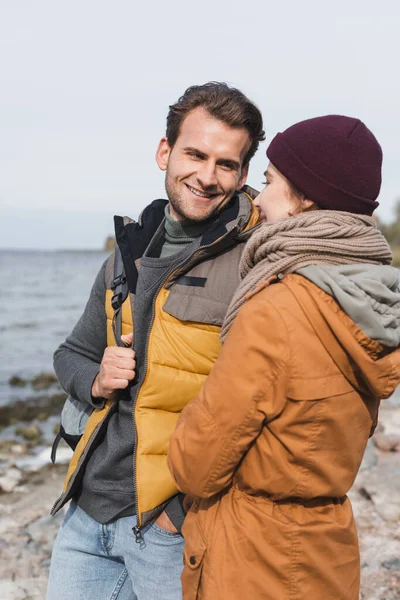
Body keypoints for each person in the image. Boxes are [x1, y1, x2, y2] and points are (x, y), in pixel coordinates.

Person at [46, 82, 264, 600]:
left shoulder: (255, 262)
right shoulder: (126, 253)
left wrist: (179, 512)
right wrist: (97, 379)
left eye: (226, 164)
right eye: (195, 154)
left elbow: (263, 407)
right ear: (164, 152)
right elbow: (70, 354)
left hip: (172, 528)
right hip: (84, 514)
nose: (207, 177)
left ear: (243, 174)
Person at [168, 115, 400, 600]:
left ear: (306, 198)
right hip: (325, 540)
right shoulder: (368, 298)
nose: (259, 195)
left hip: (254, 554)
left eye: (271, 181)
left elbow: (199, 463)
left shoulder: (278, 306)